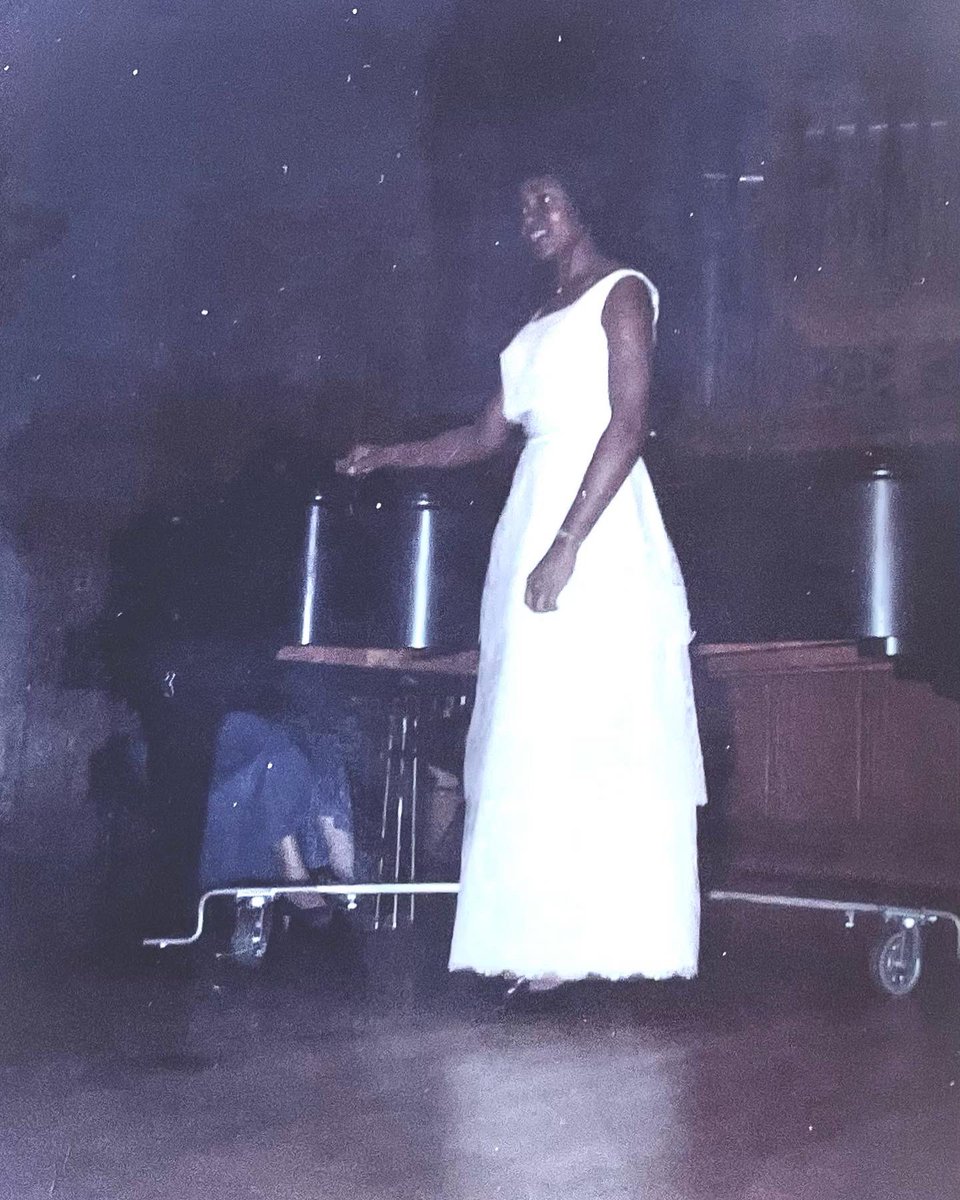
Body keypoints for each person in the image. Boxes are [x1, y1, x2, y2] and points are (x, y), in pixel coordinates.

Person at [338, 169, 706, 990]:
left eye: (548, 201)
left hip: (597, 524)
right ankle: (536, 943)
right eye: (523, 207)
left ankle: (603, 941)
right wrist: (389, 454)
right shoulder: (538, 317)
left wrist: (571, 542)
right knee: (527, 727)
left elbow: (630, 421)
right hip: (530, 514)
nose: (532, 217)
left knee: (590, 726)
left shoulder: (623, 296)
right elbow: (480, 436)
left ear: (587, 206)